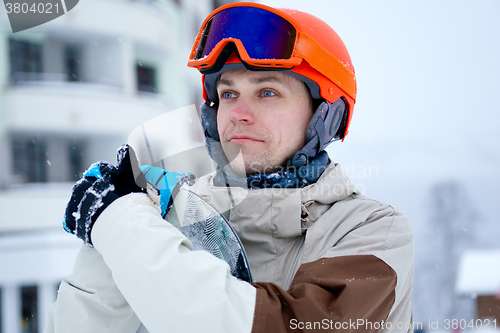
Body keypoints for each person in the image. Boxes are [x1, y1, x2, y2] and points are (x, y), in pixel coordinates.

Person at [45, 3, 414, 332]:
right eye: (228, 94)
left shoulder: (372, 232)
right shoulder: (171, 214)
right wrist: (118, 221)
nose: (238, 114)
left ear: (323, 116)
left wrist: (120, 224)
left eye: (267, 92)